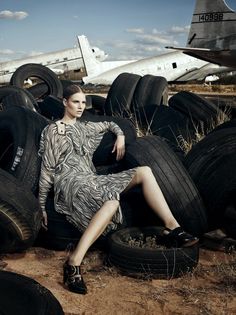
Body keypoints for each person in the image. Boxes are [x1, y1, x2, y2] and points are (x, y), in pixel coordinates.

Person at [38, 84, 198, 295]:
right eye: (76, 102)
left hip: (89, 179)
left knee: (144, 171)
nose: (80, 106)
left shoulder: (85, 127)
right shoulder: (53, 130)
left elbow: (110, 124)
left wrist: (121, 136)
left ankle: (172, 227)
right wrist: (41, 203)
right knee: (112, 201)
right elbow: (48, 168)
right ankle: (73, 262)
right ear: (64, 102)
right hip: (69, 183)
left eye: (84, 102)